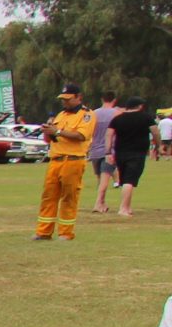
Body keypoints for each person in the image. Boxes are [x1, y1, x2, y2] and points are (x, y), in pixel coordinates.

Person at [37, 87, 96, 240]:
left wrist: (57, 132)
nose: (65, 102)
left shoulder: (86, 115)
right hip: (55, 159)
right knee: (48, 196)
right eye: (63, 99)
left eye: (68, 99)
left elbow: (81, 136)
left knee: (69, 197)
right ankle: (43, 232)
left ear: (79, 97)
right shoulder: (61, 115)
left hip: (73, 160)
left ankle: (66, 232)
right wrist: (48, 132)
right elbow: (52, 138)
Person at [111, 98, 154, 219]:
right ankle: (123, 208)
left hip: (120, 152)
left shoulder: (117, 119)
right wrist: (159, 144)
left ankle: (127, 207)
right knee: (130, 181)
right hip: (137, 152)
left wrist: (108, 151)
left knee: (125, 180)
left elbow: (109, 134)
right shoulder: (146, 117)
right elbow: (154, 131)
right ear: (140, 106)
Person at [90, 93, 122, 213]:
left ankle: (102, 203)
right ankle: (98, 204)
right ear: (114, 100)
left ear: (102, 99)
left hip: (94, 150)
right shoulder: (117, 113)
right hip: (109, 150)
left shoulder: (93, 113)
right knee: (105, 179)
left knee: (100, 178)